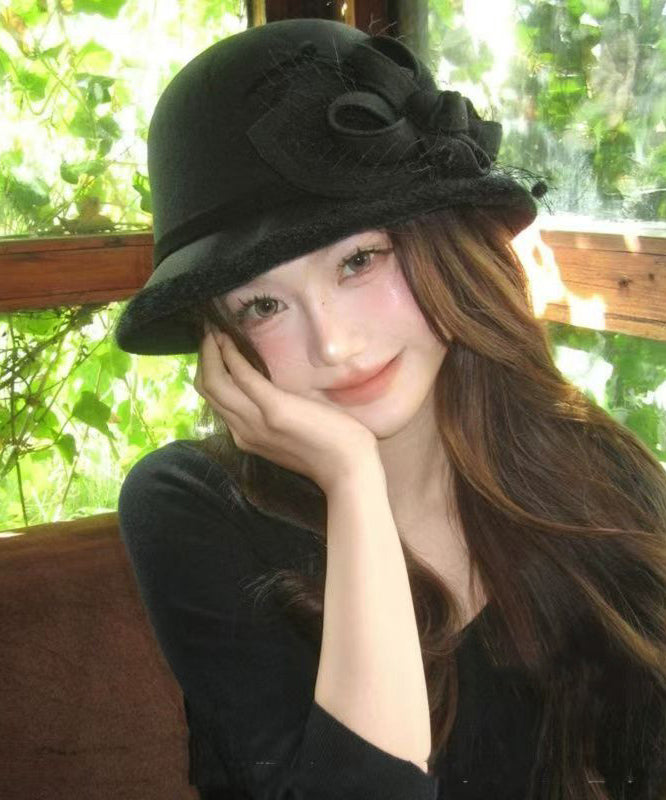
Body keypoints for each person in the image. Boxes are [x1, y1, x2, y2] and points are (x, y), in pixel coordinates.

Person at [113, 17, 666, 800]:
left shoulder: (587, 464)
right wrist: (354, 484)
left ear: (443, 245)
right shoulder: (190, 508)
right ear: (220, 342)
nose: (335, 344)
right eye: (263, 304)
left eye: (359, 260)